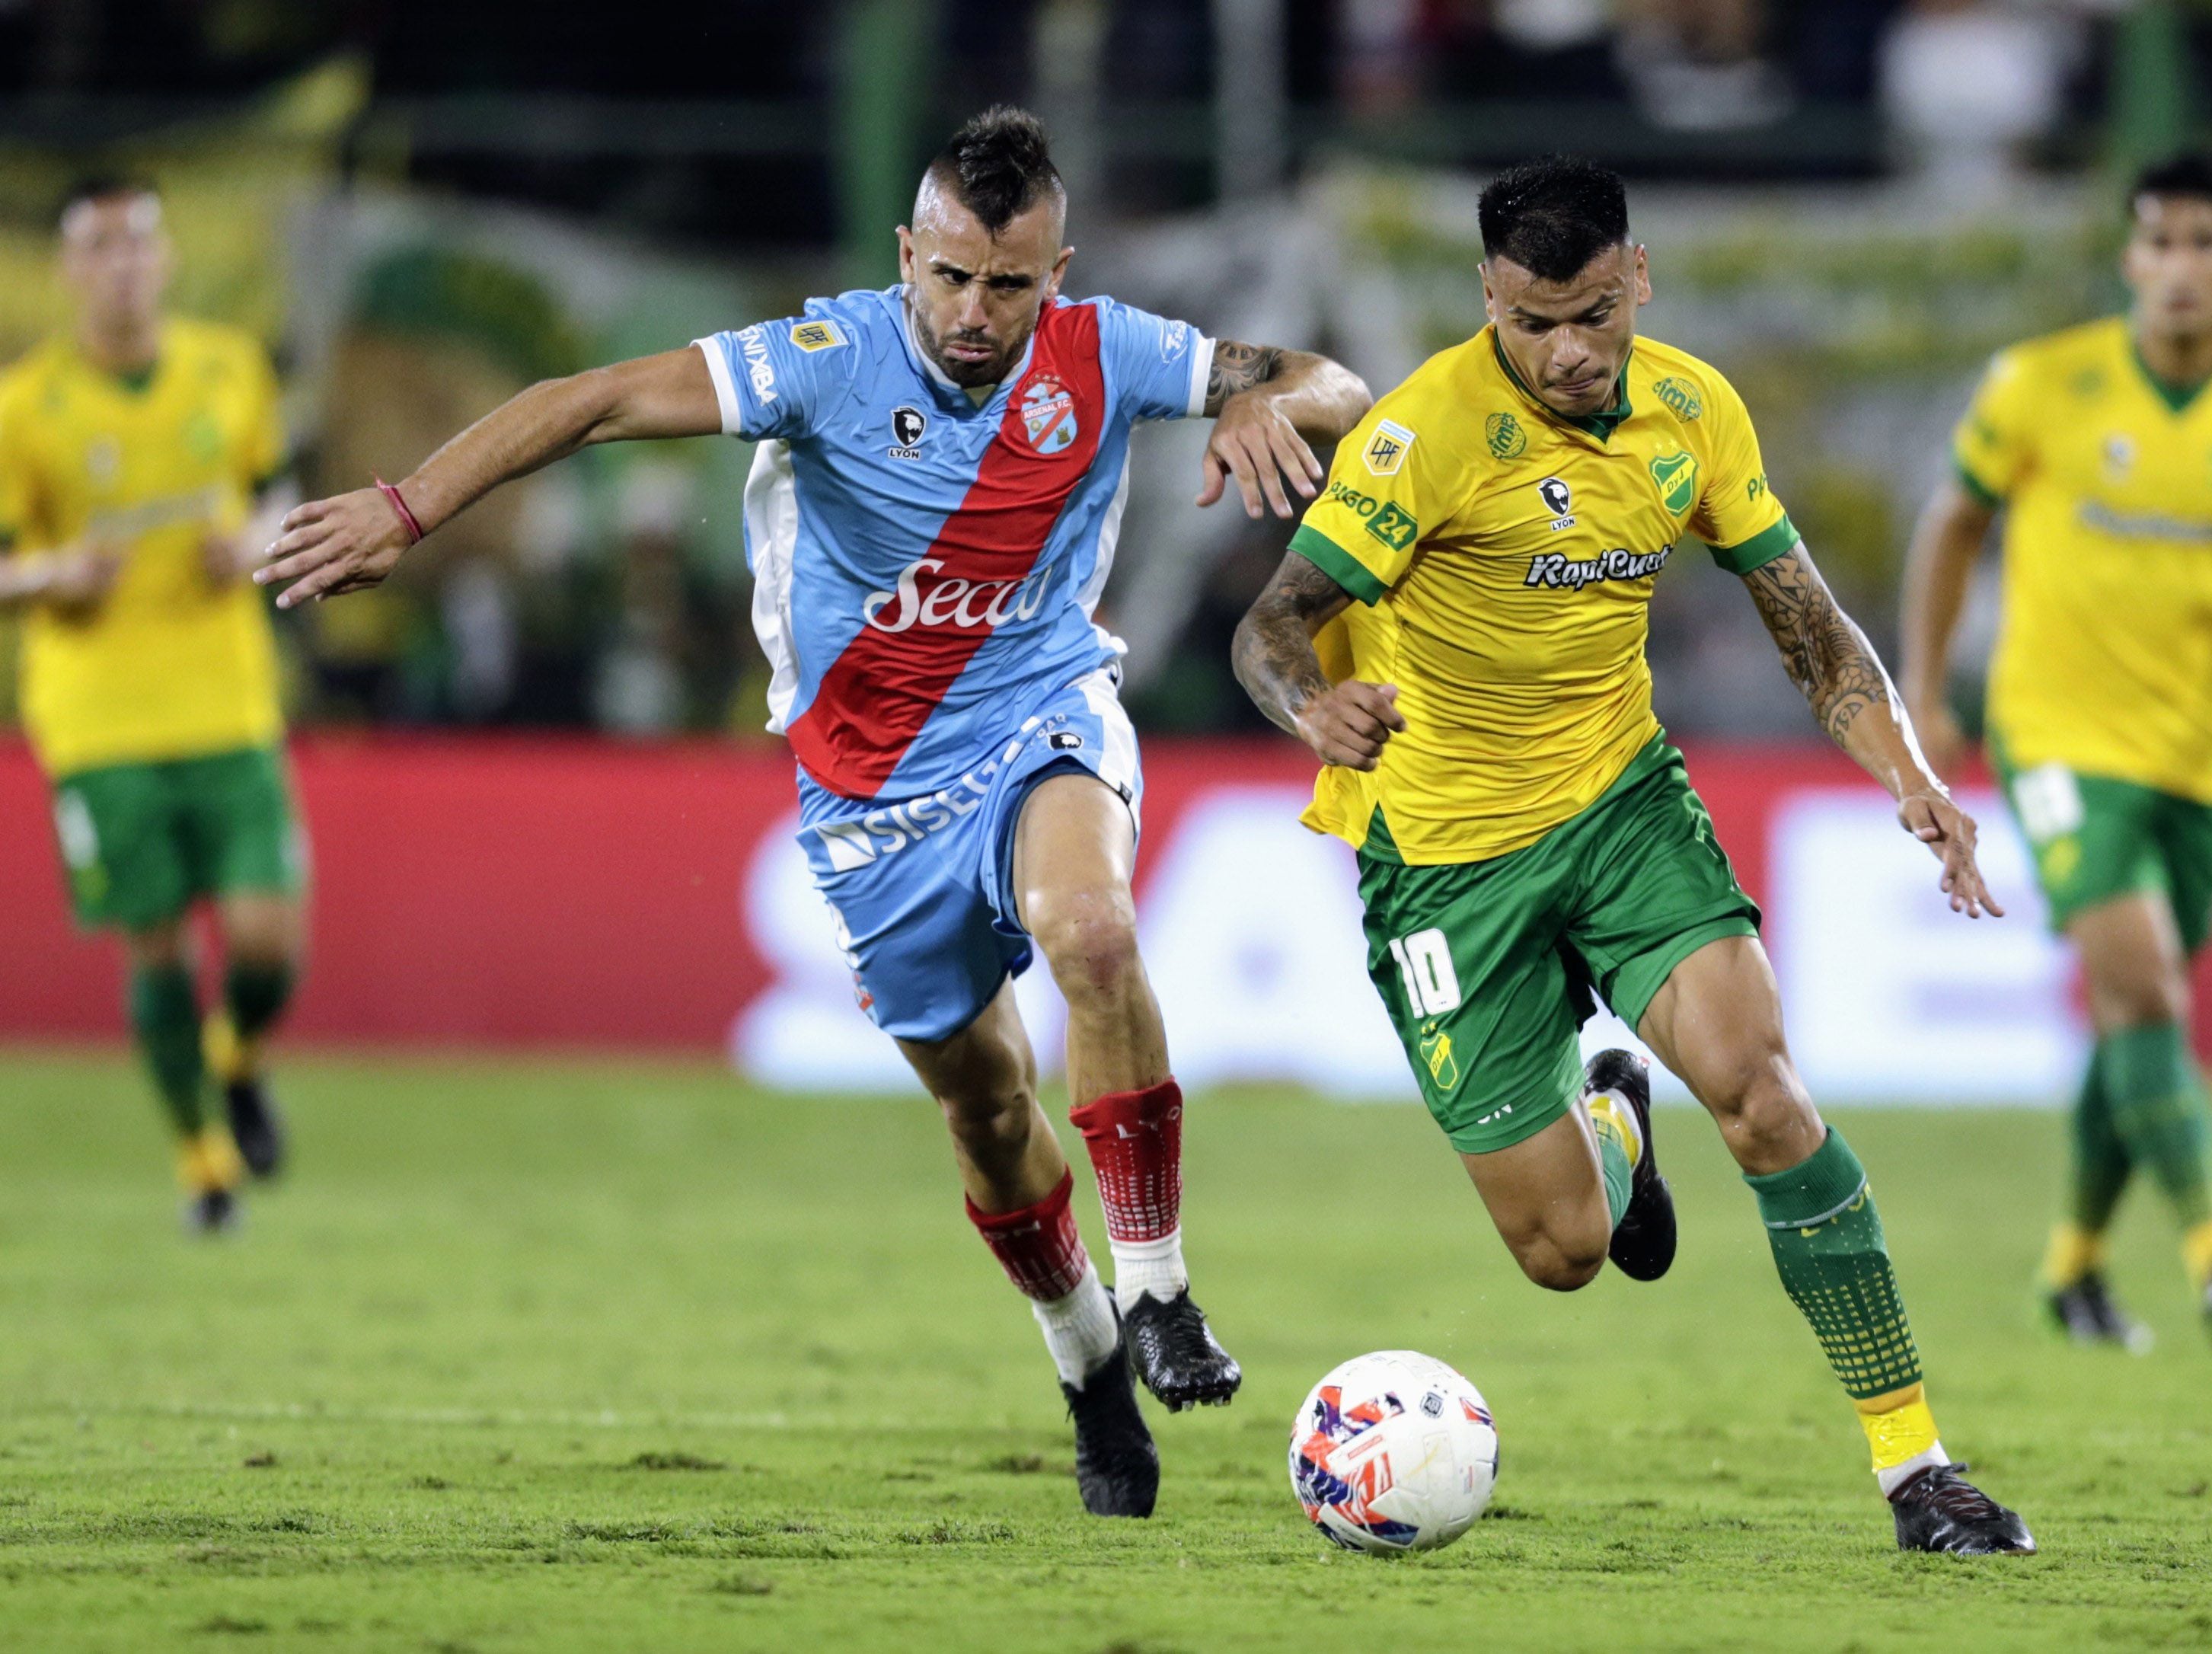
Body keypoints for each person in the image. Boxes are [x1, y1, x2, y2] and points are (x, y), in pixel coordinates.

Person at [257, 108, 1371, 1519]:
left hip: (1039, 714)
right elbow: (595, 399)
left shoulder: (1111, 354)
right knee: (985, 1109)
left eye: (1011, 286)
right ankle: (1086, 1356)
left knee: (1091, 930)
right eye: (951, 278)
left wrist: (1264, 396)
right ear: (908, 254)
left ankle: (1157, 1294)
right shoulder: (819, 362)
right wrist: (408, 511)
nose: (975, 316)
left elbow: (1333, 378)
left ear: (1058, 271)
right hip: (869, 797)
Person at [1231, 156, 2034, 1555]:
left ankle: (1919, 1471)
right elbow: (1270, 625)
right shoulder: (1422, 436)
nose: (1564, 353)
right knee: (1561, 1255)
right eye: (1530, 321)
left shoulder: (1693, 410)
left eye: (1592, 314)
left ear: (1637, 278)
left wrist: (1907, 773)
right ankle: (1610, 1111)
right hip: (1441, 862)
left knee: (1765, 1096)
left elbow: (1805, 623)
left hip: (1620, 808)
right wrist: (1314, 702)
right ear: (1488, 297)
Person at [1901, 149, 2212, 1355]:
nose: (2177, 267)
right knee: (2148, 985)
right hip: (2055, 733)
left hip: (2194, 755)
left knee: (2134, 1012)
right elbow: (1949, 527)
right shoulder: (2040, 385)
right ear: (2130, 257)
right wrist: (1921, 689)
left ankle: (2070, 1266)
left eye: (2203, 243)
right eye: (2157, 242)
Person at [0, 177, 302, 1232]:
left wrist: (260, 543)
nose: (122, 265)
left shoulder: (230, 369)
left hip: (227, 700)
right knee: (158, 944)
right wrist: (50, 579)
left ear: (166, 261)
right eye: (99, 248)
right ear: (69, 270)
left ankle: (240, 1051)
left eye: (139, 245)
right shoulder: (23, 408)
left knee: (267, 943)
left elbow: (277, 494)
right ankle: (203, 1162)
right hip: (99, 721)